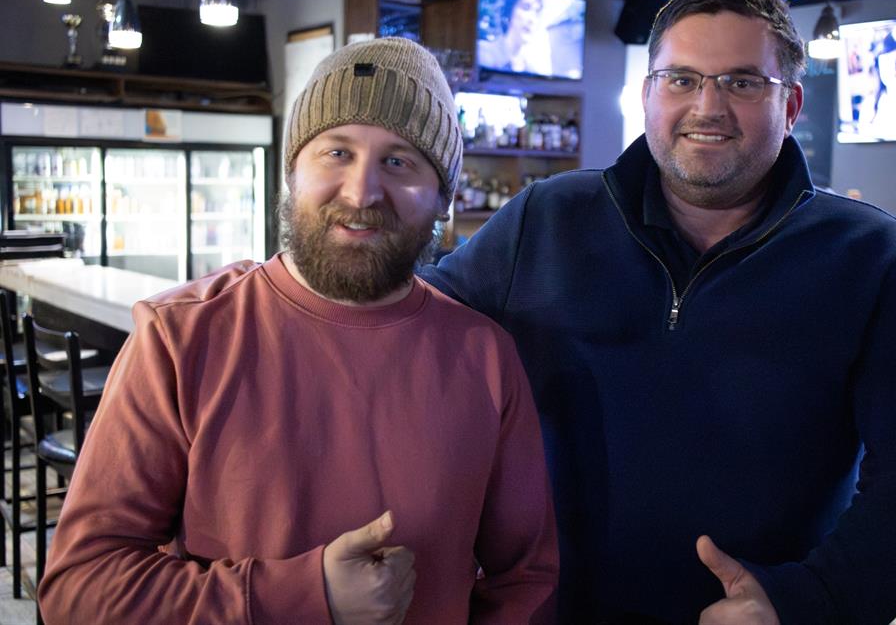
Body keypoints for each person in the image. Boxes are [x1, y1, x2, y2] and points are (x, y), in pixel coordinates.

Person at [422, 0, 896, 623]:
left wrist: (808, 601)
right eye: (681, 79)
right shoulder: (546, 217)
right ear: (647, 94)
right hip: (546, 611)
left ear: (791, 106)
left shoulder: (872, 255)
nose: (707, 106)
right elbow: (411, 326)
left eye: (742, 82)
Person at [37, 37, 558, 624]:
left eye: (399, 161)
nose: (361, 192)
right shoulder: (180, 339)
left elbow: (525, 581)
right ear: (292, 172)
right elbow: (80, 590)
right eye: (336, 152)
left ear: (443, 199)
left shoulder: (485, 357)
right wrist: (304, 596)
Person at [477, 0, 553, 77]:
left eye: (537, 12)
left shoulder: (532, 70)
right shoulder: (482, 52)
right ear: (509, 12)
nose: (532, 19)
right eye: (526, 8)